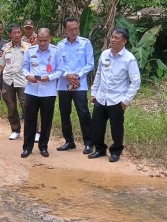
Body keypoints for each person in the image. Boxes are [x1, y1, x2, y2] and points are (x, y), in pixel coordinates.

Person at [89, 27, 141, 162]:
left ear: (123, 42)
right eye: (112, 37)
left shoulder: (129, 59)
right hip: (101, 98)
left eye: (116, 38)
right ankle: (100, 149)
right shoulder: (104, 54)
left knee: (116, 128)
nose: (112, 40)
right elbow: (99, 74)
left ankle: (116, 151)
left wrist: (126, 100)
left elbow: (135, 81)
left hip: (117, 100)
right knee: (97, 126)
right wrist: (94, 92)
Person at [20, 28, 62, 158]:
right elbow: (24, 68)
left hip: (48, 91)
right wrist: (28, 76)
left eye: (45, 40)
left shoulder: (56, 52)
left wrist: (49, 77)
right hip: (32, 90)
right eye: (40, 40)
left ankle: (43, 146)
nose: (42, 43)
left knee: (46, 120)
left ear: (50, 39)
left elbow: (60, 70)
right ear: (36, 38)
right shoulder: (31, 50)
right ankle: (27, 147)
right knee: (29, 120)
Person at [56, 17, 95, 154]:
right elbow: (57, 65)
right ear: (65, 30)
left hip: (80, 84)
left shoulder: (85, 43)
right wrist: (67, 75)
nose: (74, 31)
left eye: (76, 28)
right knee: (64, 113)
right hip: (63, 84)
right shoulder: (60, 45)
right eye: (70, 29)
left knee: (83, 113)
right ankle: (69, 141)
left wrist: (76, 76)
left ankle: (89, 143)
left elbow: (90, 64)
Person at [0, 23, 30, 140]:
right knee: (11, 106)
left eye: (19, 32)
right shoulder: (5, 48)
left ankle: (33, 131)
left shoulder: (28, 47)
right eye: (14, 33)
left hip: (23, 81)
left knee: (27, 106)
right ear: (10, 34)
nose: (17, 35)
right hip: (8, 80)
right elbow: (0, 67)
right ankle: (15, 130)